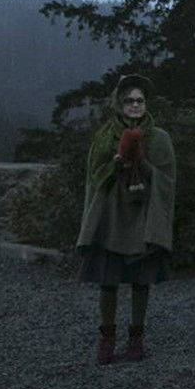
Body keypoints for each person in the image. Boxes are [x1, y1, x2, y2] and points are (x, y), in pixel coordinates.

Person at [79, 74, 176, 364]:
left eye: (140, 101)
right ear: (120, 104)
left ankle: (136, 337)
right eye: (129, 101)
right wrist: (115, 165)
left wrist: (143, 164)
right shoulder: (105, 136)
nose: (135, 105)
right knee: (108, 281)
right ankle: (107, 338)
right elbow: (94, 176)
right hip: (111, 216)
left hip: (142, 216)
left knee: (140, 280)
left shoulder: (159, 137)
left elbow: (167, 179)